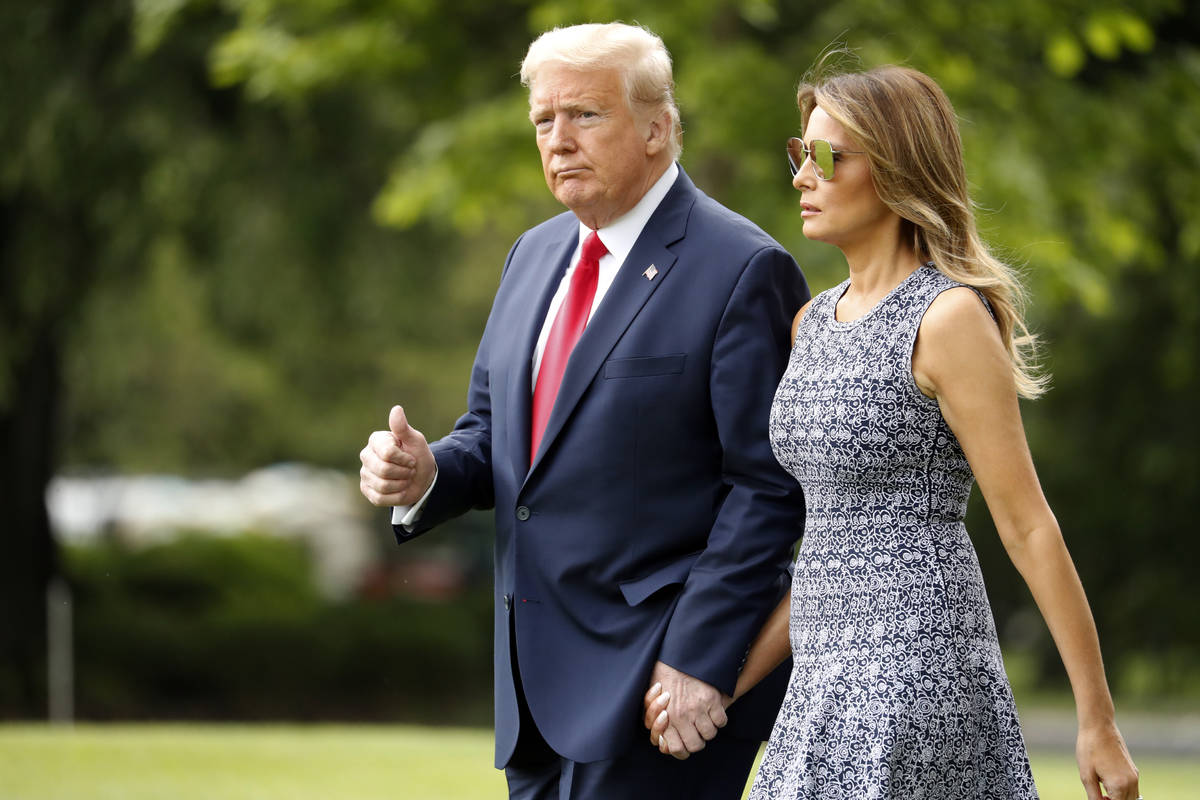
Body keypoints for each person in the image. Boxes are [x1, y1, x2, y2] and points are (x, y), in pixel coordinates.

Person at [645, 64, 1142, 800]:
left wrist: (1096, 719)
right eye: (797, 154)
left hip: (918, 671)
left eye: (825, 158)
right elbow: (830, 546)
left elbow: (1028, 525)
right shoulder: (810, 323)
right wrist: (722, 680)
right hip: (823, 679)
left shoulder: (947, 319)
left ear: (898, 168)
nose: (801, 179)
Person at [357, 22, 810, 800]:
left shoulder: (744, 267)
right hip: (531, 694)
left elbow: (768, 489)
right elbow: (498, 439)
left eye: (585, 116)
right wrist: (428, 470)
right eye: (543, 120)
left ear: (658, 128)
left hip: (661, 688)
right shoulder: (531, 255)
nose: (558, 140)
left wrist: (703, 662)